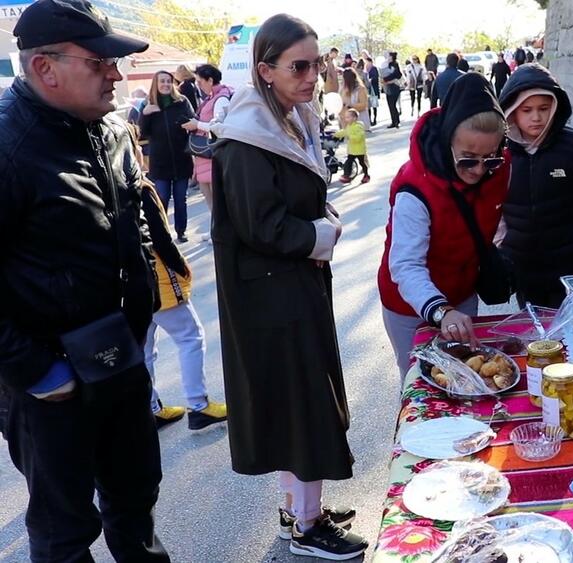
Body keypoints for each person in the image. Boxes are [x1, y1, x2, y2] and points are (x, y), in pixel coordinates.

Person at [0, 1, 170, 560]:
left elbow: (134, 225)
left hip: (118, 357)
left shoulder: (112, 130)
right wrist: (37, 371)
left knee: (135, 499)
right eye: (100, 63)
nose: (116, 76)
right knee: (66, 532)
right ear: (45, 68)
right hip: (48, 382)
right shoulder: (8, 147)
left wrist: (139, 319)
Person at [211, 13, 368, 560]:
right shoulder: (248, 135)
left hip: (288, 286)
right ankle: (306, 527)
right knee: (302, 403)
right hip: (272, 295)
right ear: (265, 70)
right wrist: (323, 233)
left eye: (316, 63)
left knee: (295, 400)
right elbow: (263, 226)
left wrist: (317, 224)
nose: (311, 75)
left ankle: (297, 513)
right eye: (299, 66)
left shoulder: (286, 117)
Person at [378, 73, 511, 379]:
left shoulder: (502, 167)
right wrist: (440, 310)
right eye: (468, 160)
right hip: (409, 305)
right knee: (420, 379)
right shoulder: (414, 187)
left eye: (490, 159)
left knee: (467, 374)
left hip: (462, 292)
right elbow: (406, 265)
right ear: (448, 139)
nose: (479, 170)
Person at [497, 63, 573, 308]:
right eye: (527, 110)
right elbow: (492, 204)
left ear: (555, 107)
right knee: (535, 333)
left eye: (543, 108)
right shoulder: (501, 152)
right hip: (522, 265)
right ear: (512, 111)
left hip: (570, 264)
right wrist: (502, 244)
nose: (536, 117)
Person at [137, 166, 227, 430]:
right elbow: (159, 234)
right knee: (191, 336)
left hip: (132, 279)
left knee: (145, 347)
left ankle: (151, 407)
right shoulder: (140, 186)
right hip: (158, 275)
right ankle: (198, 405)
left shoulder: (106, 185)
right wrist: (180, 265)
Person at [140, 70, 195, 243]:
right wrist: (146, 114)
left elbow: (193, 120)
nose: (165, 84)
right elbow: (142, 133)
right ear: (155, 84)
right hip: (160, 162)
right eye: (162, 81)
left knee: (180, 199)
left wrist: (188, 124)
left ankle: (181, 231)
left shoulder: (181, 101)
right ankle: (161, 233)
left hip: (181, 160)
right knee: (161, 199)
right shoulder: (148, 104)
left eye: (168, 81)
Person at [181, 63, 232, 241]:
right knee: (209, 197)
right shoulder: (213, 97)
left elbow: (221, 127)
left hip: (213, 154)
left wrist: (197, 125)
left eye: (200, 81)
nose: (198, 85)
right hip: (206, 155)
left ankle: (222, 233)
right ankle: (216, 231)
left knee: (217, 199)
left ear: (210, 80)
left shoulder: (221, 99)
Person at [334, 108, 370, 184]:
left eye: (348, 117)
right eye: (346, 117)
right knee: (348, 162)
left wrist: (351, 137)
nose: (346, 119)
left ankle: (366, 175)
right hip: (352, 150)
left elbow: (359, 136)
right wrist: (335, 134)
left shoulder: (358, 126)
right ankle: (347, 175)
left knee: (362, 162)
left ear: (354, 118)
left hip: (359, 150)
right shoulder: (349, 126)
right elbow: (344, 132)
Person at [382, 51, 403, 128]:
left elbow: (398, 74)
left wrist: (387, 79)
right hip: (388, 86)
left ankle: (397, 121)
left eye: (389, 56)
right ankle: (393, 121)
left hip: (395, 85)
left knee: (393, 104)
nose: (388, 58)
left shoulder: (395, 64)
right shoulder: (385, 64)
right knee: (390, 105)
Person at [365, 56, 380, 126]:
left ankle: (375, 118)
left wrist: (371, 79)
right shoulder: (365, 70)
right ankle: (369, 119)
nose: (367, 64)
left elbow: (376, 77)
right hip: (368, 89)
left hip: (373, 88)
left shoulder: (374, 69)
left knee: (374, 105)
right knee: (368, 106)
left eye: (368, 62)